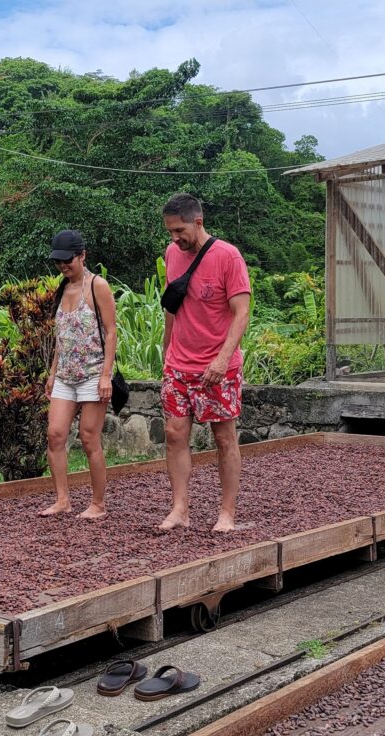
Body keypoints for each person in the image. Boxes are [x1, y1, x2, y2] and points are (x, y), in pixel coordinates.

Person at [158, 194, 251, 533]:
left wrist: (223, 359)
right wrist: (167, 351)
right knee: (173, 433)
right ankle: (180, 508)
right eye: (170, 231)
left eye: (179, 230)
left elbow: (241, 313)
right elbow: (173, 305)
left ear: (198, 222)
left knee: (224, 437)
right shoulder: (172, 254)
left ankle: (227, 512)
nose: (174, 238)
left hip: (217, 367)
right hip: (179, 364)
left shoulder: (228, 256)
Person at [39, 229, 117, 520]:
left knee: (88, 437)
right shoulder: (62, 288)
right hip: (65, 375)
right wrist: (52, 372)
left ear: (82, 255)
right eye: (58, 261)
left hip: (93, 373)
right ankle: (62, 499)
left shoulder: (98, 286)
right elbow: (64, 337)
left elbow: (110, 331)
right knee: (55, 434)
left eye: (68, 260)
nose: (63, 266)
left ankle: (98, 504)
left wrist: (106, 375)